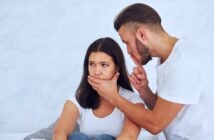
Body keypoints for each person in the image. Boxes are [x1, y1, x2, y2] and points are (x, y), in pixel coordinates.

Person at [88, 3, 214, 140]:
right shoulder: (168, 59)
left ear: (141, 34)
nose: (128, 51)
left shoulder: (184, 63)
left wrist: (112, 96)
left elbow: (155, 124)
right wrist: (144, 90)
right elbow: (164, 111)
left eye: (126, 43)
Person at [53, 37, 144, 140]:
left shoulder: (133, 101)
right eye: (91, 64)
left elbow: (129, 136)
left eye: (104, 65)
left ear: (117, 67)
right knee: (77, 137)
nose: (96, 71)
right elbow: (60, 132)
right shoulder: (78, 98)